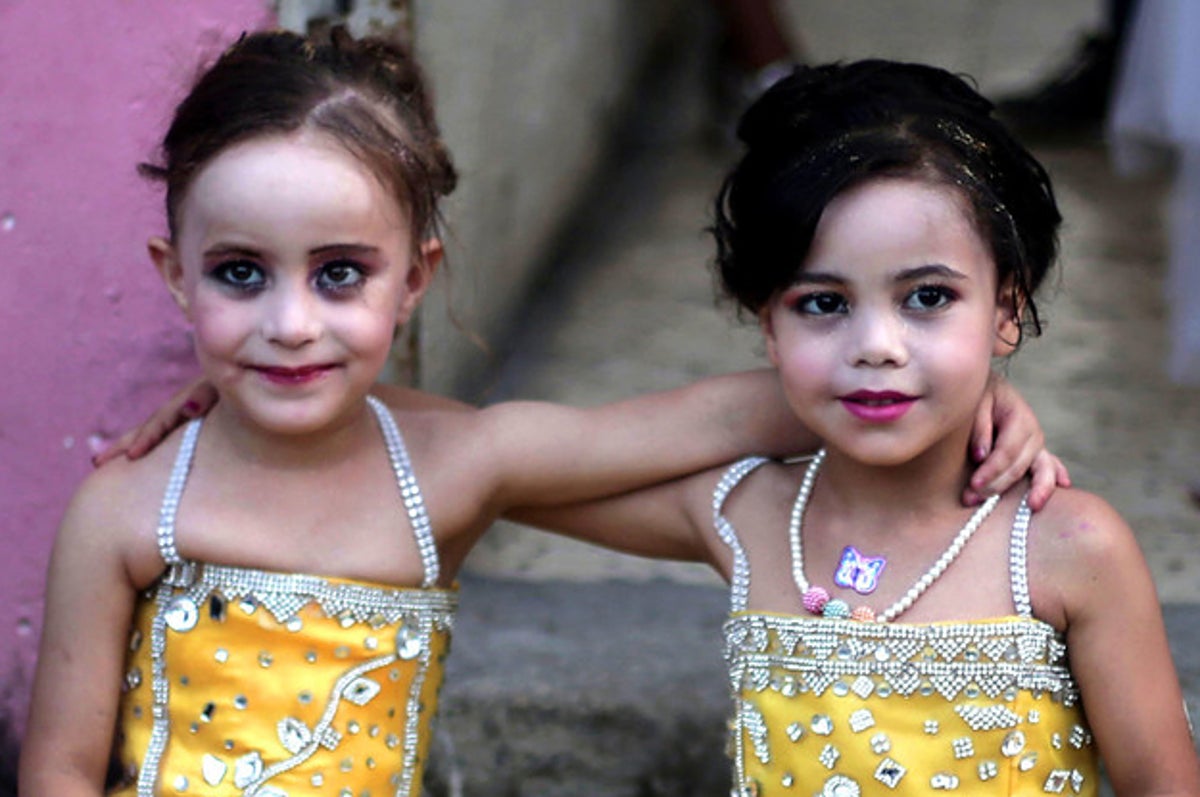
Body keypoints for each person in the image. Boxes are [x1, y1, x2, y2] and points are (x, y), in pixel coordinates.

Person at [17, 29, 1065, 797]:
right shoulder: (128, 510)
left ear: (416, 276)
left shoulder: (454, 466)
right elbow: (60, 768)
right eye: (239, 274)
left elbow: (761, 405)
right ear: (176, 275)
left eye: (340, 273)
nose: (291, 322)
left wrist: (972, 389)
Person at [511, 61, 1200, 795]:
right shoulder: (749, 515)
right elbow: (503, 469)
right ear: (766, 321)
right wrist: (781, 403)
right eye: (822, 303)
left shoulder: (1066, 546)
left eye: (928, 296)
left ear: (1006, 308)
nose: (877, 346)